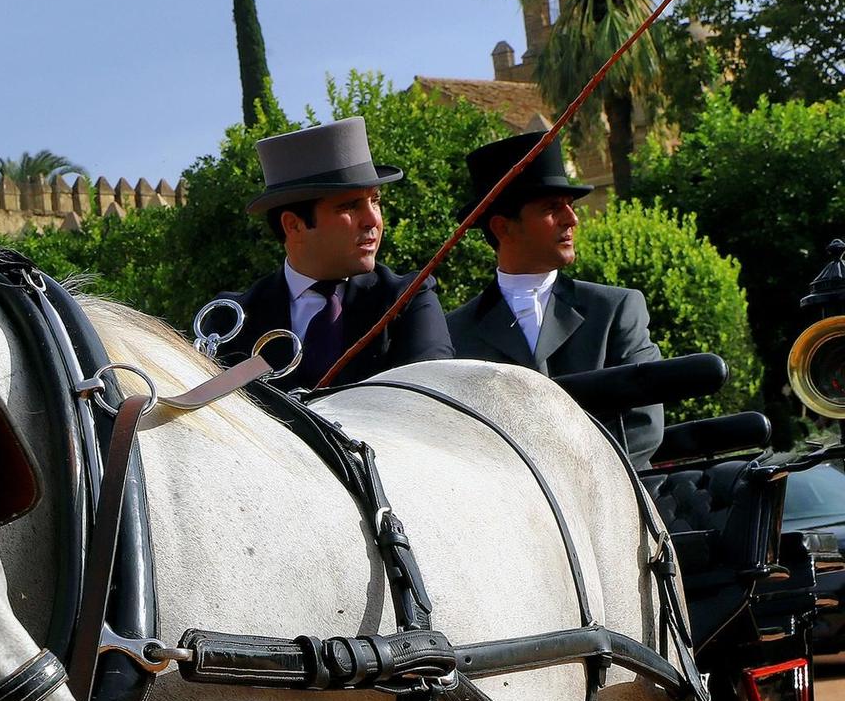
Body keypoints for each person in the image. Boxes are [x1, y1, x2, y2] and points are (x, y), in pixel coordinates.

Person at [446, 131, 664, 466]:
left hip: (613, 507)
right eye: (552, 208)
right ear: (503, 228)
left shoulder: (616, 310)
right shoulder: (454, 334)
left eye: (570, 206)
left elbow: (643, 426)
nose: (572, 219)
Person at [217, 116, 453, 388]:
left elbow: (430, 404)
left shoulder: (408, 301)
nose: (372, 220)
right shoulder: (231, 319)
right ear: (294, 225)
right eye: (350, 206)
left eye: (375, 201)